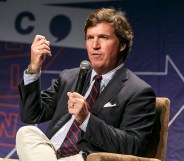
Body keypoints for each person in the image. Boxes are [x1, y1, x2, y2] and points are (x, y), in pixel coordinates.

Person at [16, 7, 156, 161]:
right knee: (26, 132)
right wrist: (33, 69)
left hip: (83, 157)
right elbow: (31, 114)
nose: (94, 45)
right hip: (49, 153)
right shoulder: (69, 77)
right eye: (90, 38)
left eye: (103, 37)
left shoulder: (137, 91)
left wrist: (86, 119)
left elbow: (133, 146)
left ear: (122, 45)